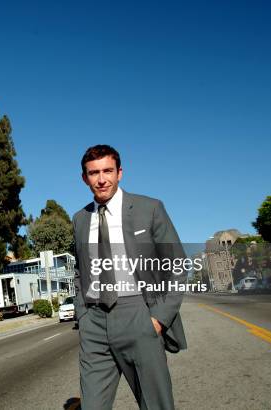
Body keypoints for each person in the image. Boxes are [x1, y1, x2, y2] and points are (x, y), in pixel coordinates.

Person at [72, 145, 187, 410]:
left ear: (120, 172)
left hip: (138, 314)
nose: (102, 179)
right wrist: (83, 314)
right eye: (93, 173)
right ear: (84, 178)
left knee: (156, 405)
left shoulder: (150, 208)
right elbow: (81, 271)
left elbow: (177, 265)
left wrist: (158, 318)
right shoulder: (79, 219)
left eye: (107, 171)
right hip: (95, 323)